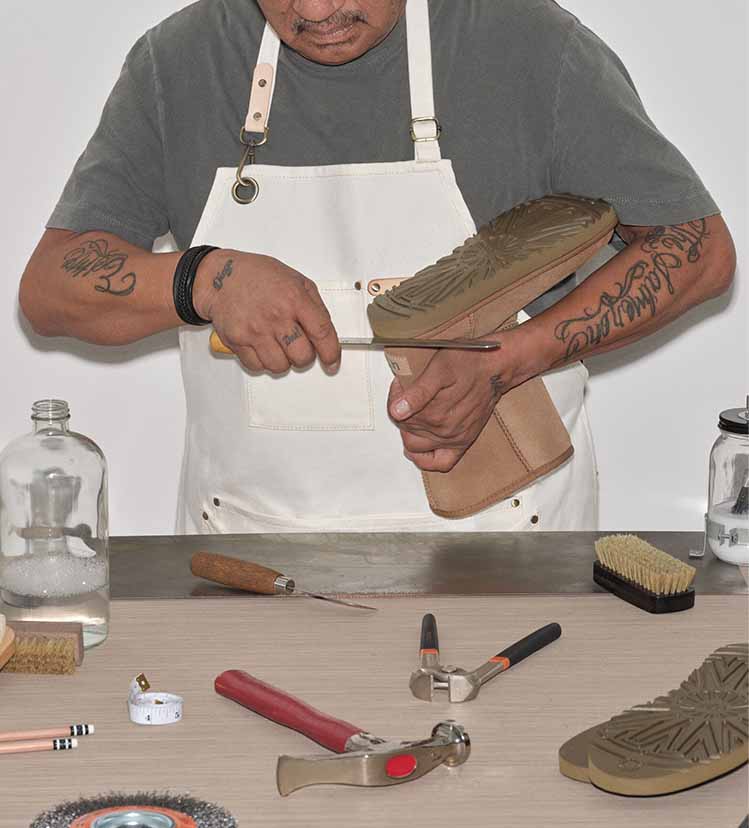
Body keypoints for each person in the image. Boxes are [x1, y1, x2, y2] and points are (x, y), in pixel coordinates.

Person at [19, 0, 735, 534]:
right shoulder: (179, 64)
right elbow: (50, 289)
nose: (316, 10)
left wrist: (505, 362)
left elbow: (696, 248)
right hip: (244, 563)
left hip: (507, 556)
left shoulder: (527, 46)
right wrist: (203, 277)